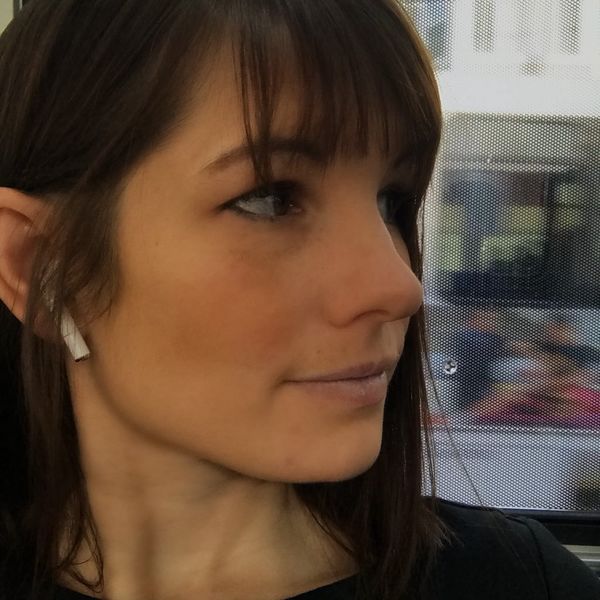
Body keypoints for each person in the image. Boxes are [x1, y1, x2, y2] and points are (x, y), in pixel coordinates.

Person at [0, 2, 598, 599]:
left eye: (392, 201)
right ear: (40, 269)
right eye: (270, 199)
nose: (399, 288)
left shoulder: (522, 585)